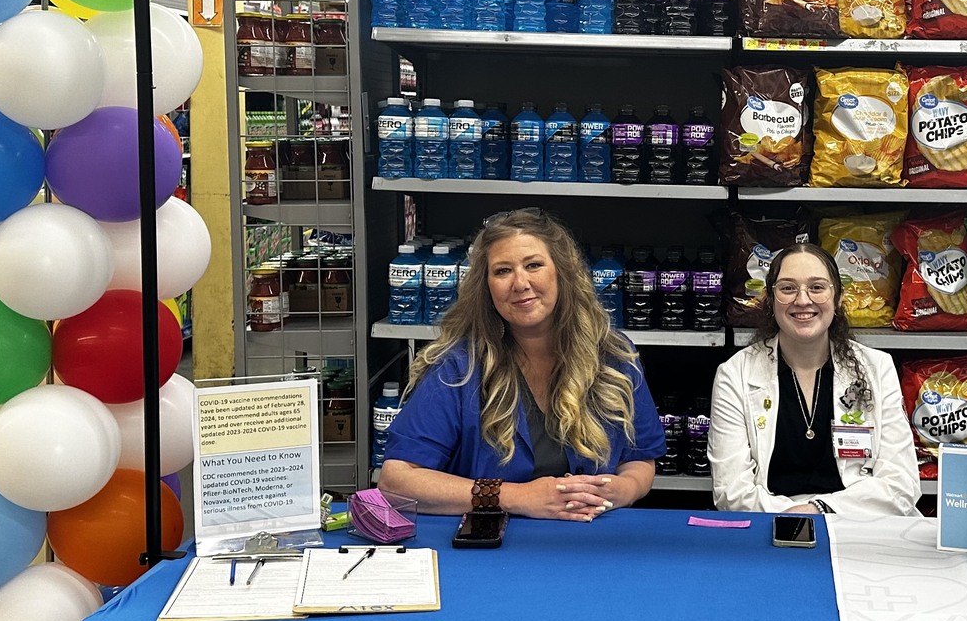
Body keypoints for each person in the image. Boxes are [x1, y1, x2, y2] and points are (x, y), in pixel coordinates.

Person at [378, 209, 664, 521]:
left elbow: (640, 461)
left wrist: (622, 489)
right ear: (486, 286)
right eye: (502, 271)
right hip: (495, 542)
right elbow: (396, 481)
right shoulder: (458, 368)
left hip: (591, 536)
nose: (520, 283)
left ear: (563, 272)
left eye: (533, 265)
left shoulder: (614, 356)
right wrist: (516, 497)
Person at [707, 241, 920, 517]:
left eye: (817, 287)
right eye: (787, 288)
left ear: (838, 297)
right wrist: (794, 517)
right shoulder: (735, 374)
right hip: (770, 526)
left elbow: (901, 484)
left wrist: (820, 510)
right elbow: (731, 492)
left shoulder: (877, 368)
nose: (803, 300)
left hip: (858, 527)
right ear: (770, 299)